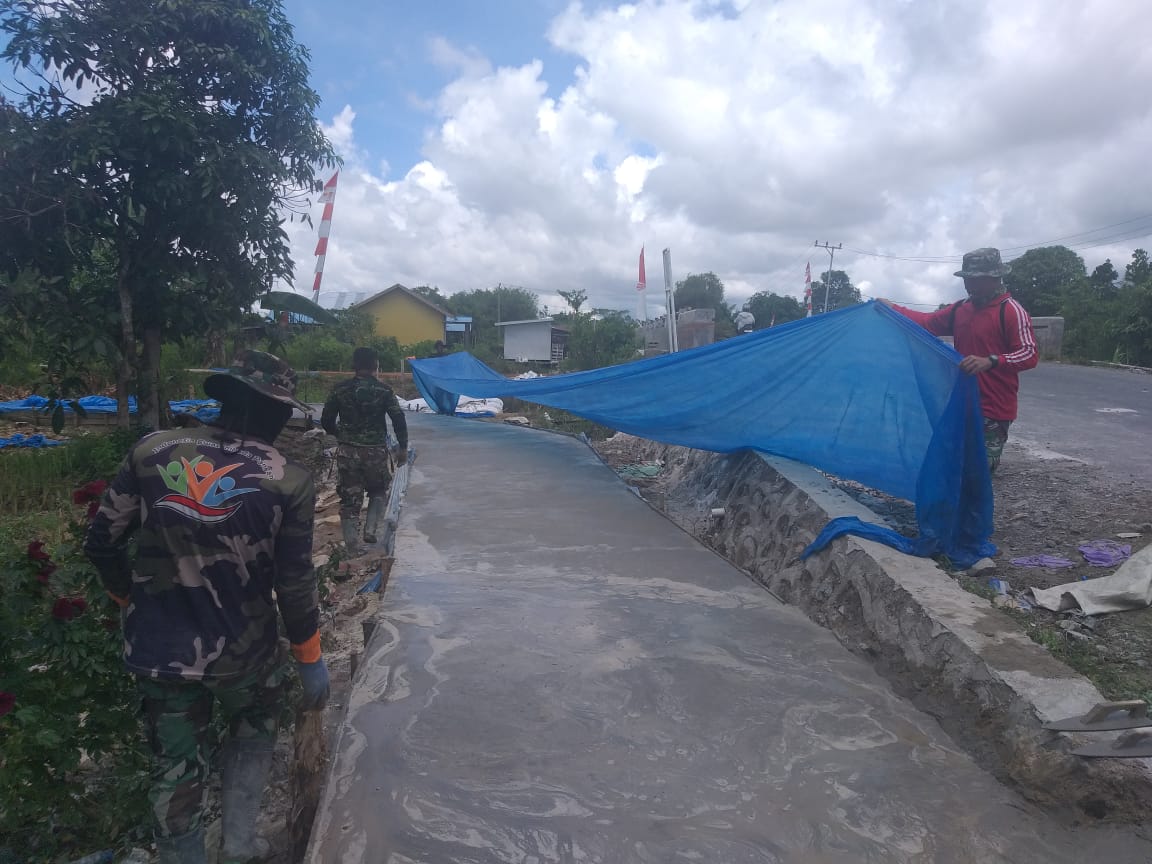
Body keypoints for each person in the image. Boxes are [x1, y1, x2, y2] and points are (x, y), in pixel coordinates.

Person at [84, 350, 329, 864]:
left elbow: (102, 541)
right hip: (246, 654)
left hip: (159, 650)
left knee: (174, 768)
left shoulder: (152, 450)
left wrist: (127, 597)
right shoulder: (288, 479)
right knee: (256, 723)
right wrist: (309, 657)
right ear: (277, 410)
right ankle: (238, 846)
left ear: (225, 397)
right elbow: (294, 582)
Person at [879, 247, 1038, 472]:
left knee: (978, 472)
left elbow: (1029, 353)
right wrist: (893, 309)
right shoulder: (961, 309)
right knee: (950, 466)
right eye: (966, 278)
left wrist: (991, 361)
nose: (968, 284)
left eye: (974, 279)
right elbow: (927, 323)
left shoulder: (1011, 311)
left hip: (993, 411)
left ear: (993, 277)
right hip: (961, 403)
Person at [321, 346, 409, 551]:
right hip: (375, 451)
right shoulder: (384, 390)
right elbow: (398, 418)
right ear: (375, 365)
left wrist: (340, 435)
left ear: (354, 365)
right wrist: (403, 447)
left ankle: (352, 544)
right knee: (378, 489)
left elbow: (326, 420)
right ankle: (370, 530)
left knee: (350, 497)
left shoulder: (340, 389)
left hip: (348, 451)